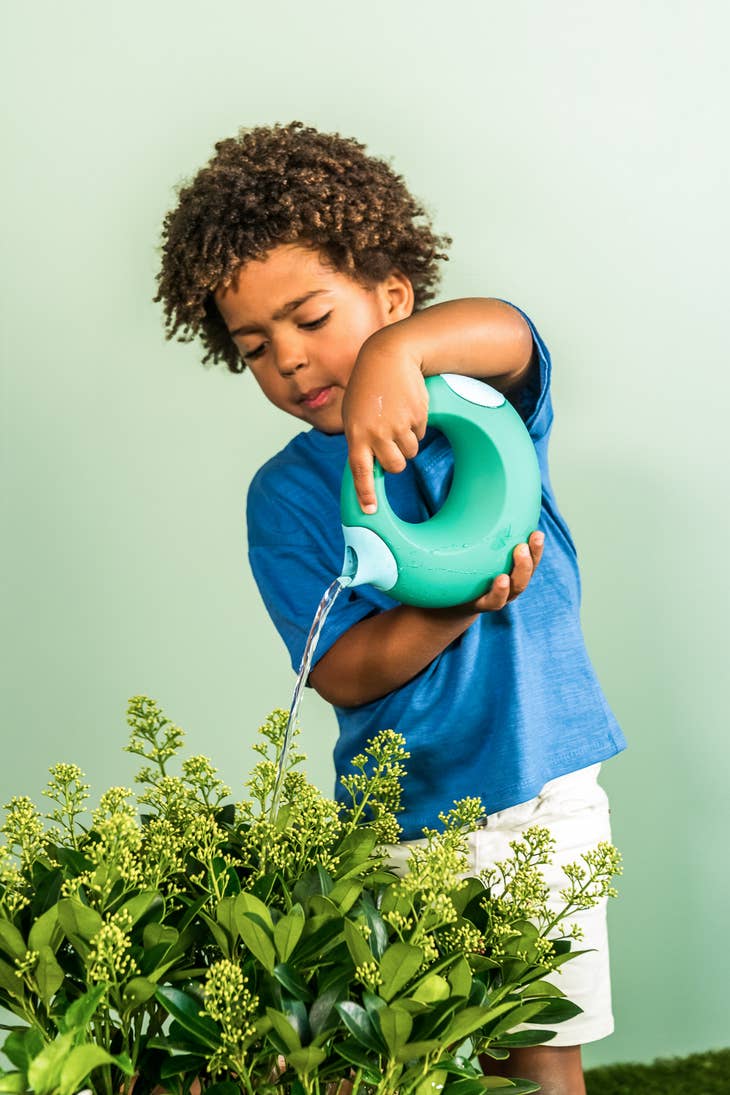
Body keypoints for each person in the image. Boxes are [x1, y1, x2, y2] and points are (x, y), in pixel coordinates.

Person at [155, 120, 626, 1095]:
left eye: (312, 317)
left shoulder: (472, 407)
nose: (288, 358)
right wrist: (450, 609)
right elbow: (340, 669)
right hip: (400, 817)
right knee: (403, 1049)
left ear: (394, 294)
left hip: (542, 786)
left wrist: (396, 360)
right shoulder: (283, 498)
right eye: (255, 345)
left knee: (539, 1049)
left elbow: (509, 329)